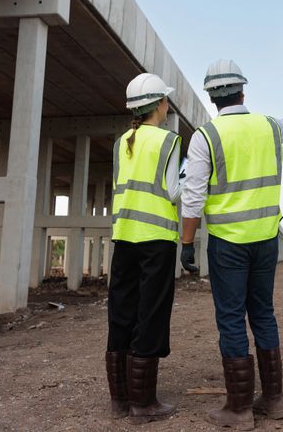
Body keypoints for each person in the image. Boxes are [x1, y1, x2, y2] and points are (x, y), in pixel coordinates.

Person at [180, 59, 283, 430]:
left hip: (228, 243)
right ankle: (274, 401)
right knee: (263, 313)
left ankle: (239, 409)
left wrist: (187, 243)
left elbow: (192, 195)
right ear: (243, 92)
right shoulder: (269, 127)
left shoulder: (206, 136)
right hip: (266, 239)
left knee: (231, 318)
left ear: (212, 97)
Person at [106, 72, 182, 424]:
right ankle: (144, 403)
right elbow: (171, 191)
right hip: (156, 240)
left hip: (124, 236)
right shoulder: (169, 142)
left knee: (121, 313)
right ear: (160, 105)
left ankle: (120, 401)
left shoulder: (122, 142)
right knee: (150, 315)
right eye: (166, 100)